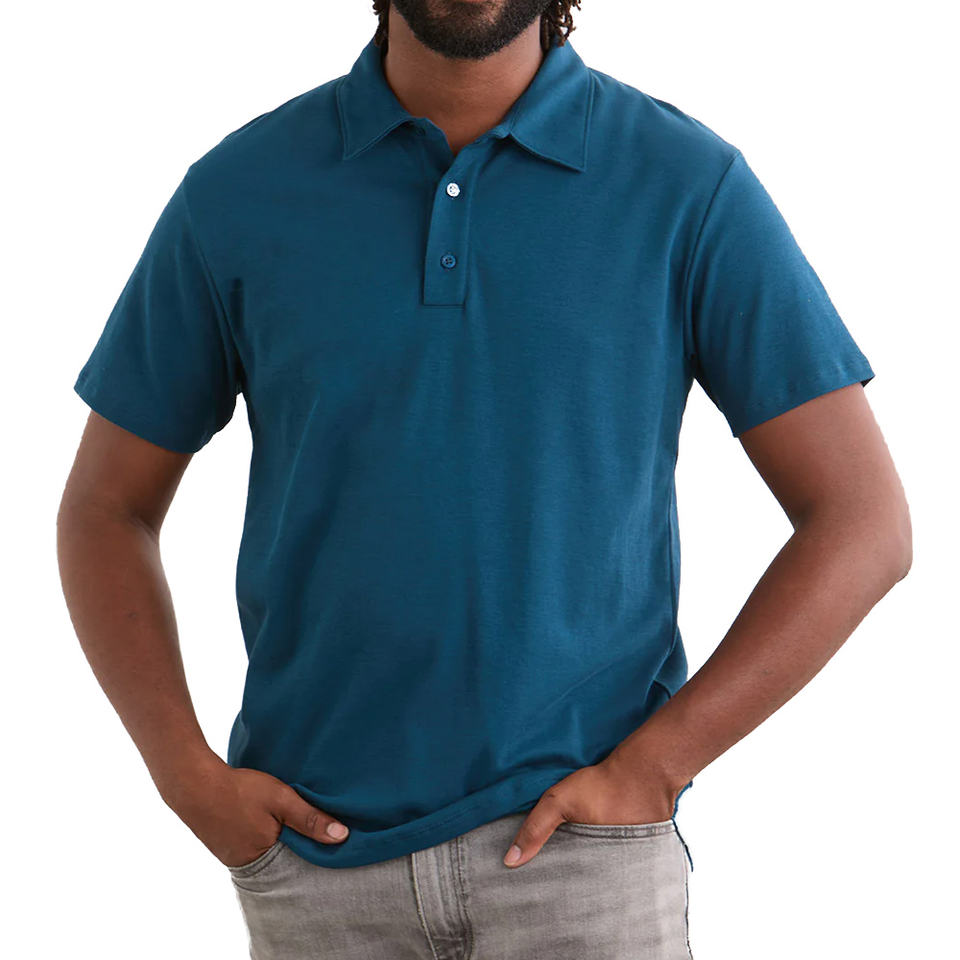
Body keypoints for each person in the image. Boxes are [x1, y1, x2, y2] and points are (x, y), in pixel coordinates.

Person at [57, 2, 912, 957]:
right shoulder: (240, 191)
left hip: (586, 867)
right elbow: (105, 506)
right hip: (318, 868)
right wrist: (183, 774)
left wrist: (657, 768)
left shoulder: (685, 184)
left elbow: (864, 521)